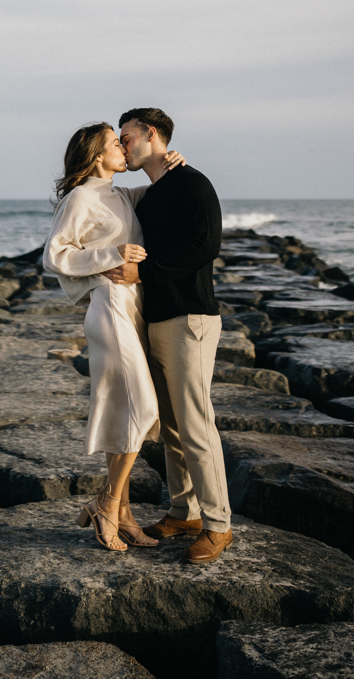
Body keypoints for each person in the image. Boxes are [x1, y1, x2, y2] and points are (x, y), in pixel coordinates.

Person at [43, 122, 184, 552]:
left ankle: (120, 510)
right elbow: (54, 254)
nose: (123, 148)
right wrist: (111, 256)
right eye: (115, 144)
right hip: (109, 308)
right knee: (141, 405)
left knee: (125, 407)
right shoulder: (81, 197)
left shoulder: (121, 195)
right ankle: (108, 503)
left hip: (133, 307)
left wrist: (172, 165)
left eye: (124, 142)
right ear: (96, 155)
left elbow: (162, 194)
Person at [100, 107, 233, 565]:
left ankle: (218, 525)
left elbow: (206, 245)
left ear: (150, 134)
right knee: (172, 426)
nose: (122, 145)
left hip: (190, 318)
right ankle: (185, 512)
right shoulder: (151, 194)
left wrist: (142, 272)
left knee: (196, 423)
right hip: (157, 321)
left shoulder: (192, 183)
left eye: (127, 136)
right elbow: (99, 198)